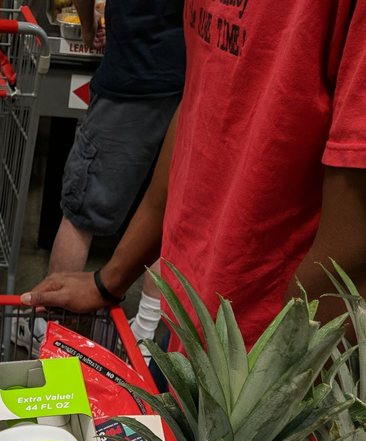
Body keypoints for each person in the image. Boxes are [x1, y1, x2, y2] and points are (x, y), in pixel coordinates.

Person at [23, 1, 366, 348]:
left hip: (256, 354)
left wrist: (279, 365)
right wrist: (110, 279)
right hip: (188, 322)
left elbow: (351, 251)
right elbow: (197, 103)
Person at [34, 0, 185, 352]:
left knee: (82, 211)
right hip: (189, 82)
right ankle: (144, 338)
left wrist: (89, 29)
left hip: (132, 76)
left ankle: (52, 331)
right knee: (170, 213)